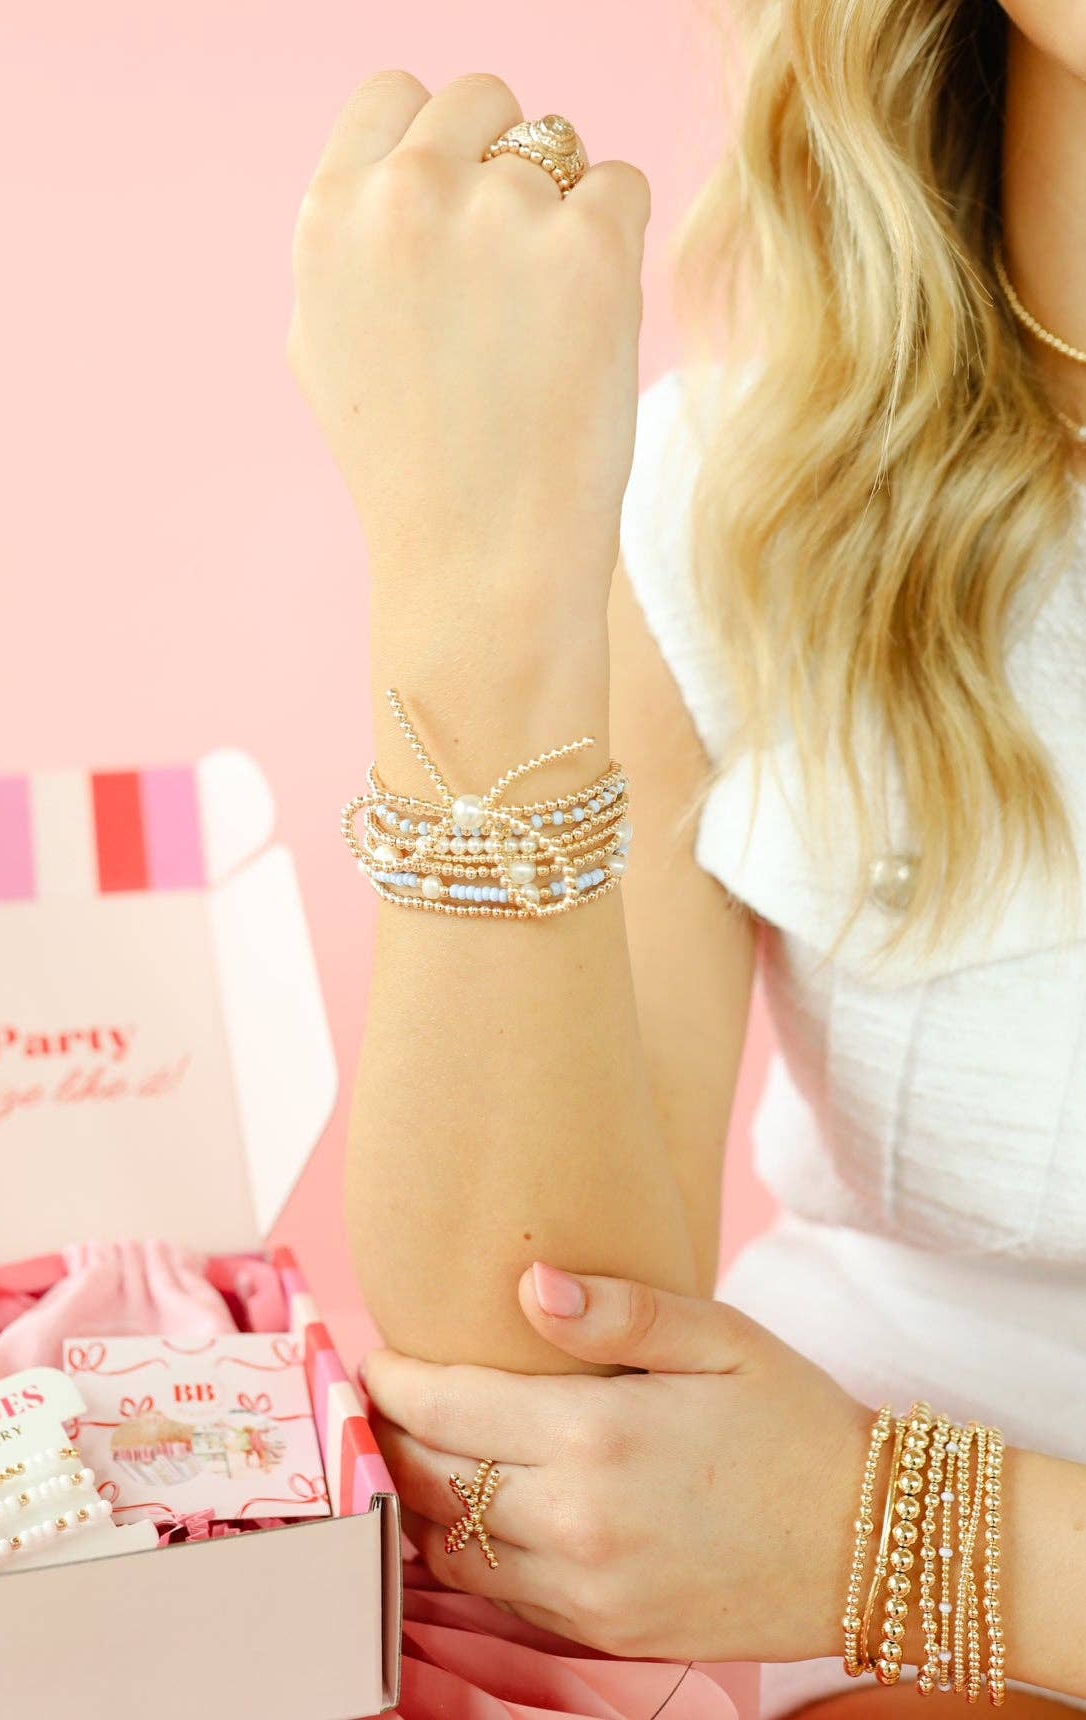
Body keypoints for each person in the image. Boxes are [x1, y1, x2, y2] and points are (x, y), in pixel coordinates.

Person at [286, 4, 1086, 1712]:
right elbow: (538, 1408)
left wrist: (901, 1533)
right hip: (778, 1571)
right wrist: (478, 582)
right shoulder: (752, 491)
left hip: (805, 1523)